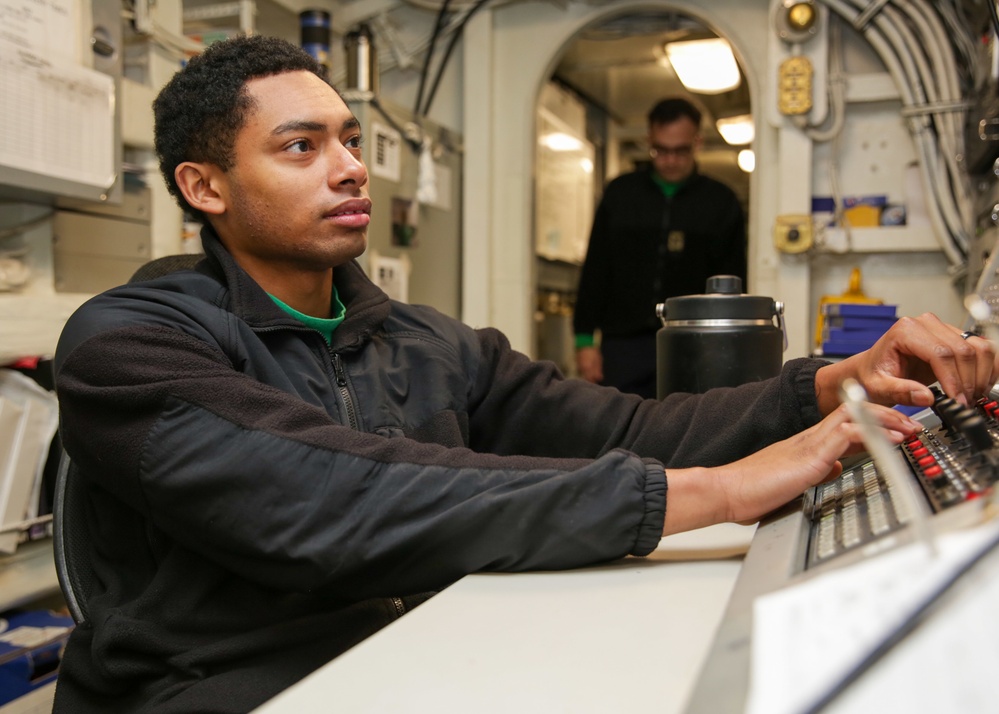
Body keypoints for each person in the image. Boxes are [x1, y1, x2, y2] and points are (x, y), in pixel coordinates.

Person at [51, 35, 994, 713]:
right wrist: (710, 493)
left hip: (412, 647)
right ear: (203, 188)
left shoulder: (426, 341)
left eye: (346, 139)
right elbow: (334, 499)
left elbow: (625, 430)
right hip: (212, 688)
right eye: (301, 146)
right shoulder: (127, 345)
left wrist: (829, 387)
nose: (348, 169)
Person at [573, 97, 747, 398]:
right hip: (623, 345)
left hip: (693, 343)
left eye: (680, 150)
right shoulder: (620, 194)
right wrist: (584, 340)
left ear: (697, 142)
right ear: (649, 140)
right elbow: (597, 267)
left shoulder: (721, 202)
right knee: (619, 429)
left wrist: (727, 346)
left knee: (686, 429)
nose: (670, 160)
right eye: (660, 150)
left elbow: (732, 282)